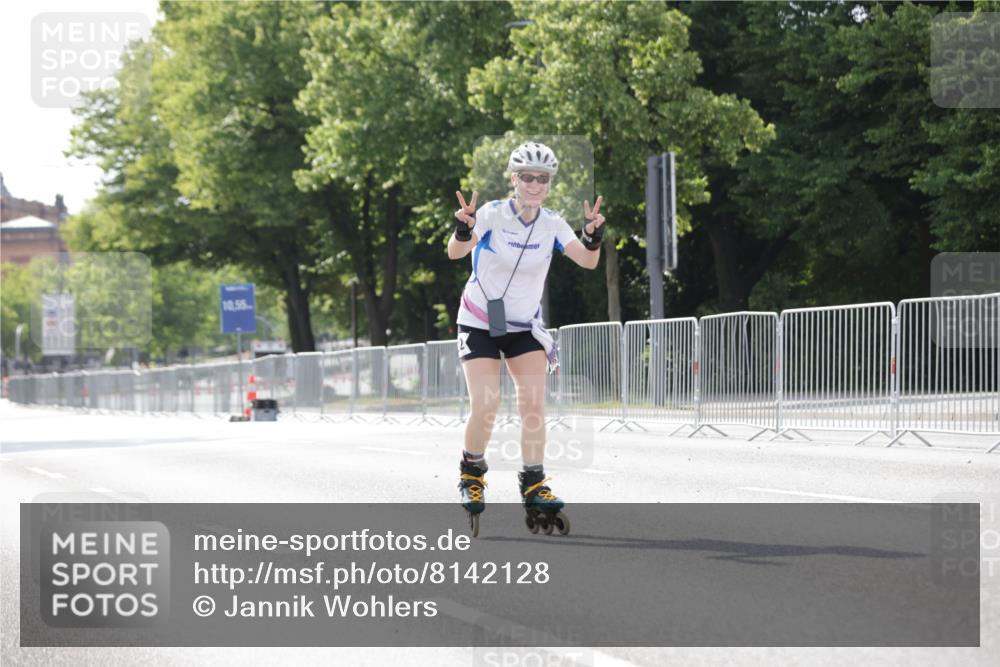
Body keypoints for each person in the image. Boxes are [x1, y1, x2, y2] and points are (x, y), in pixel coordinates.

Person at [447, 141, 606, 536]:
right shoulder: (492, 214)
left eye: (543, 178)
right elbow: (455, 252)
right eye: (528, 177)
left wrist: (591, 236)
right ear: (514, 179)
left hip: (522, 326)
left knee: (533, 404)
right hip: (481, 321)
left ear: (549, 183)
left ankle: (533, 483)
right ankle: (472, 471)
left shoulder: (552, 223)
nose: (535, 184)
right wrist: (463, 228)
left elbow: (587, 261)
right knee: (486, 402)